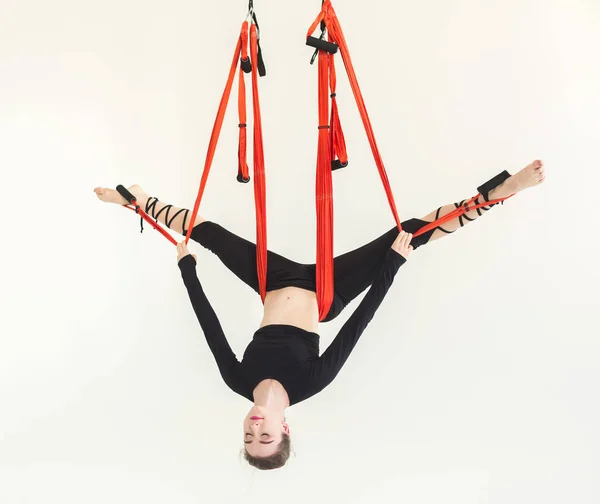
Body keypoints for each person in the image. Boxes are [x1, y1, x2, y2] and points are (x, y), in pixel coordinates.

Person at [95, 160, 545, 470]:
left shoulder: (237, 381)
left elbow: (209, 325)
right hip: (326, 296)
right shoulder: (311, 383)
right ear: (284, 428)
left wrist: (187, 269)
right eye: (266, 437)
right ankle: (497, 195)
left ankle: (138, 199)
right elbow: (356, 326)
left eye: (248, 438)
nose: (255, 429)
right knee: (409, 232)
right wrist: (391, 265)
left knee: (207, 232)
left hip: (272, 281)